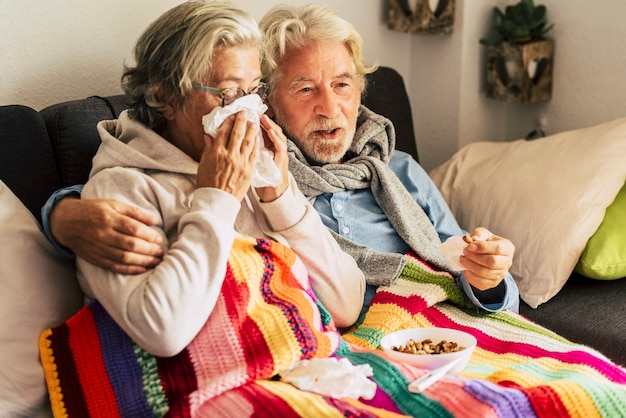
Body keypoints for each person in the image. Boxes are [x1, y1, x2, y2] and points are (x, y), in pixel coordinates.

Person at [43, 4, 518, 315]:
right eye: (305, 89)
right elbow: (142, 184)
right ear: (269, 102)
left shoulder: (400, 171)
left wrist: (491, 277)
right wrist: (60, 213)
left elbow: (483, 280)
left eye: (343, 84)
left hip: (448, 325)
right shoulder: (254, 169)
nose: (330, 109)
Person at [58, 0, 365, 357]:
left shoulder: (253, 164)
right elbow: (163, 333)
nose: (247, 109)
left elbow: (346, 304)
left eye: (253, 91)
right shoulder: (121, 189)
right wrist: (217, 198)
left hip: (293, 356)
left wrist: (280, 197)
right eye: (230, 93)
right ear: (165, 97)